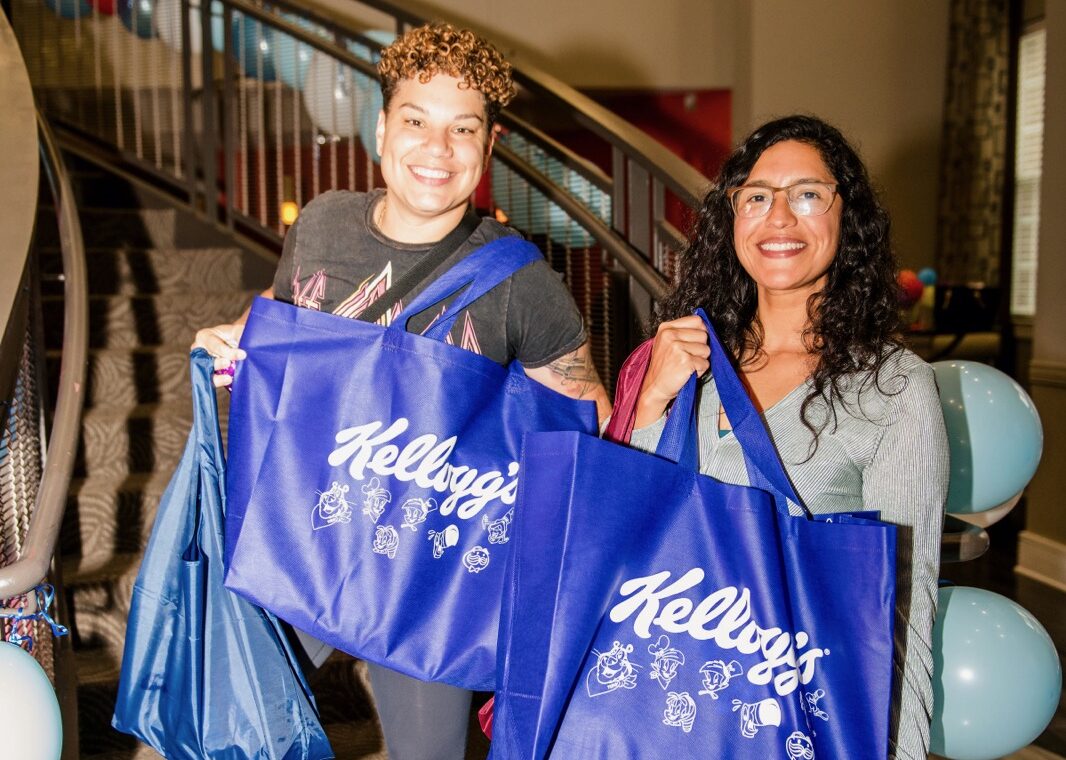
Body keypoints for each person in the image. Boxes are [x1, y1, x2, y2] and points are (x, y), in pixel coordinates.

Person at [193, 22, 610, 760]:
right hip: (308, 529)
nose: (437, 150)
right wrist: (231, 332)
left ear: (489, 144)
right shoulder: (322, 224)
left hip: (428, 569)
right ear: (383, 125)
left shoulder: (522, 282)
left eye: (463, 129)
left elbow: (588, 425)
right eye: (416, 121)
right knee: (234, 724)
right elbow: (284, 314)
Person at [629, 115, 948, 760]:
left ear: (845, 218)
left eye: (806, 194)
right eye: (757, 197)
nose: (779, 217)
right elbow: (630, 531)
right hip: (672, 702)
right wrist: (653, 402)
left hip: (804, 718)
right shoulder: (684, 362)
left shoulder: (893, 388)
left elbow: (905, 609)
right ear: (732, 220)